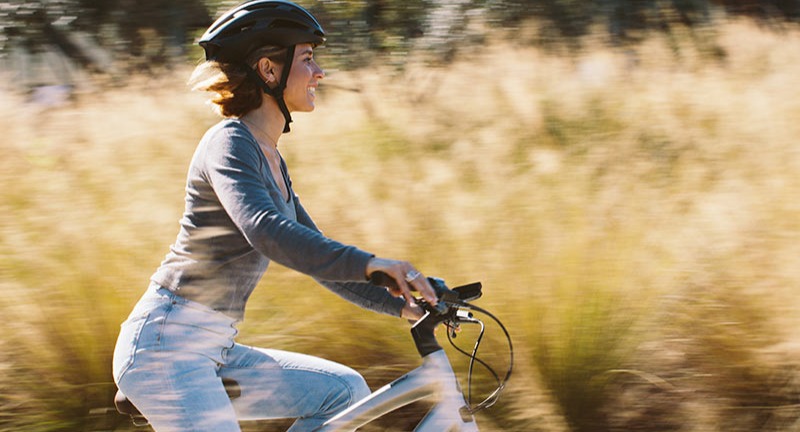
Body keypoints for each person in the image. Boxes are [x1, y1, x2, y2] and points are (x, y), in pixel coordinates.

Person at [111, 1, 437, 431]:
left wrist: (418, 300)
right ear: (268, 70)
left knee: (345, 392)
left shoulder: (272, 162)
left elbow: (325, 266)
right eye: (307, 58)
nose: (319, 72)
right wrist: (370, 263)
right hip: (164, 347)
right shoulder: (228, 143)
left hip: (214, 347)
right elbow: (266, 230)